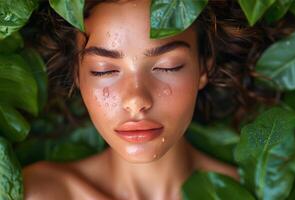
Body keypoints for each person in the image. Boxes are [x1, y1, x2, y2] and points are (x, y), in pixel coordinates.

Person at [23, 0, 269, 199]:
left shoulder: (256, 195)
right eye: (103, 70)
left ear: (204, 66)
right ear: (77, 74)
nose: (136, 100)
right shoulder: (37, 193)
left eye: (168, 66)